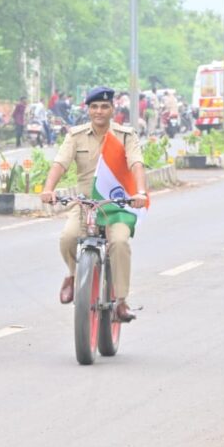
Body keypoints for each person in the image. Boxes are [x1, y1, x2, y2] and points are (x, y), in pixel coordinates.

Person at [40, 86, 148, 322]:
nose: (99, 111)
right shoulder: (75, 135)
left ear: (112, 109)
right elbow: (60, 163)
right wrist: (48, 189)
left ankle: (120, 301)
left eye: (104, 107)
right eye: (94, 107)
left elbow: (136, 164)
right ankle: (72, 274)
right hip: (85, 205)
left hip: (116, 206)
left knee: (119, 242)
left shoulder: (126, 136)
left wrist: (140, 192)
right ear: (88, 110)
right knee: (68, 238)